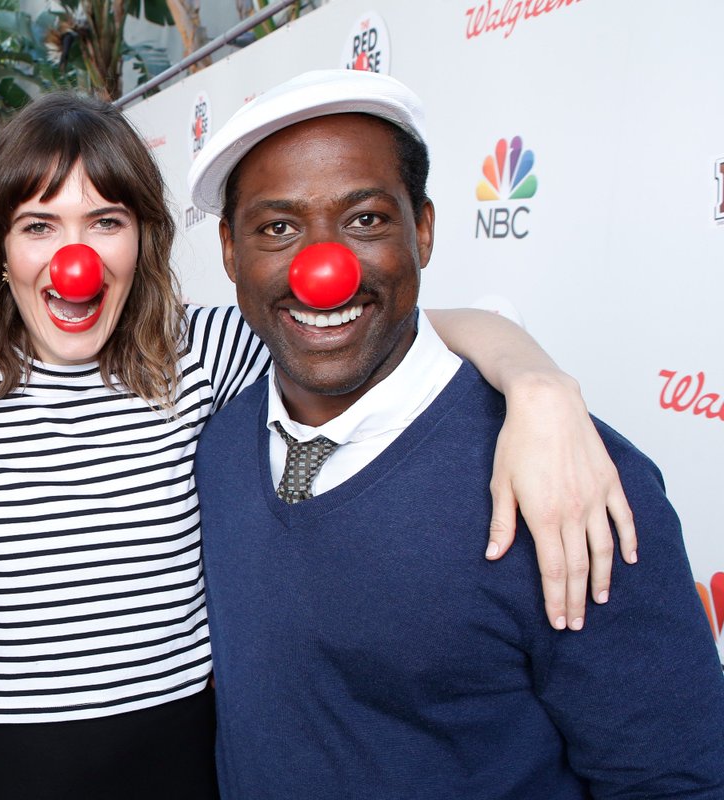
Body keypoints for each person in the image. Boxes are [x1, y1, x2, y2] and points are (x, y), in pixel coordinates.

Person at [0, 91, 635, 798]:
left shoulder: (198, 348)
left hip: (176, 742)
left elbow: (401, 329)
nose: (74, 258)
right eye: (38, 226)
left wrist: (537, 384)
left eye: (106, 221)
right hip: (2, 753)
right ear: (1, 247)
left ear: (142, 238)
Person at [190, 69, 724, 798]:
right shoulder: (217, 452)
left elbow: (673, 780)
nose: (325, 271)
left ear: (426, 230)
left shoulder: (572, 484)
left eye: (365, 220)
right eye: (278, 229)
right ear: (228, 251)